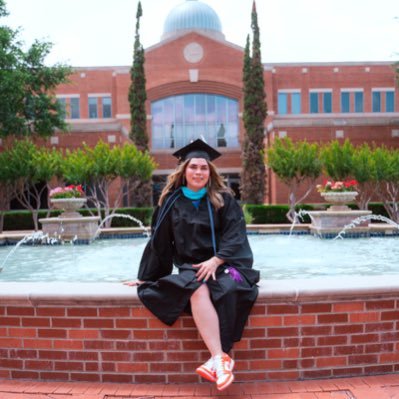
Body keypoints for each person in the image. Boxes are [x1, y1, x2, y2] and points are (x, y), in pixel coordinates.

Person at [125, 139, 259, 391]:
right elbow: (160, 243)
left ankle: (219, 360)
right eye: (194, 167)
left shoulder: (223, 200)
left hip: (226, 263)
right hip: (193, 268)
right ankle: (220, 358)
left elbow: (236, 234)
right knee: (196, 287)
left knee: (229, 290)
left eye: (204, 168)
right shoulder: (171, 203)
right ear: (184, 170)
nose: (199, 172)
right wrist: (146, 277)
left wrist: (217, 259)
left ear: (210, 172)